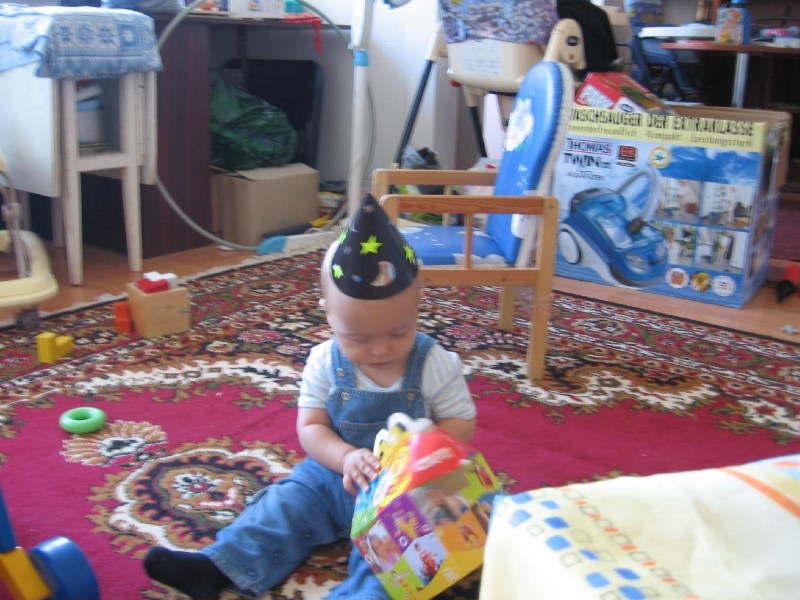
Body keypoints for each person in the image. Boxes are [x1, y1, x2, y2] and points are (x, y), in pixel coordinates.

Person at [143, 194, 477, 599]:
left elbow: (462, 421)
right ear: (328, 314)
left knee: (406, 553)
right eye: (358, 338)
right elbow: (312, 427)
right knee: (284, 504)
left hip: (407, 491)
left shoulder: (433, 361)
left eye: (398, 332)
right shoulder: (323, 361)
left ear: (417, 309)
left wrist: (424, 444)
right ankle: (220, 565)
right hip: (333, 477)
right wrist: (345, 457)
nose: (379, 349)